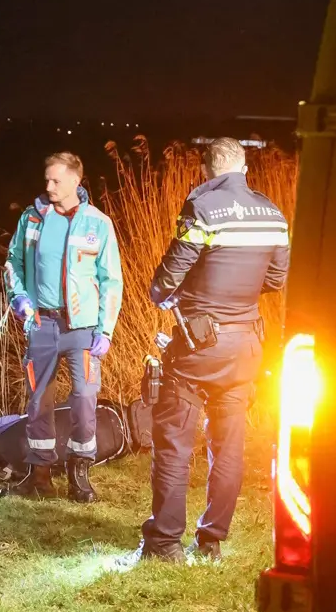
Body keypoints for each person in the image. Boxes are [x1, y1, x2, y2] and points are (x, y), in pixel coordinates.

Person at [123, 137, 290, 565]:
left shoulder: (202, 207)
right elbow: (276, 279)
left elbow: (168, 276)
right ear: (244, 169)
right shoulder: (273, 214)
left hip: (199, 346)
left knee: (174, 442)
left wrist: (171, 295)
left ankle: (164, 543)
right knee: (229, 445)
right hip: (246, 346)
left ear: (207, 170)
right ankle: (211, 541)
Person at [3, 152, 123, 502]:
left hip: (82, 329)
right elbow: (12, 262)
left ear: (75, 181)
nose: (49, 186)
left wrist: (106, 329)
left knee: (84, 397)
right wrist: (18, 298)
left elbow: (112, 280)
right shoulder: (32, 219)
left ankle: (78, 471)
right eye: (47, 179)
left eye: (56, 180)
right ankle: (39, 475)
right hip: (41, 323)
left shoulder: (98, 223)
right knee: (39, 400)